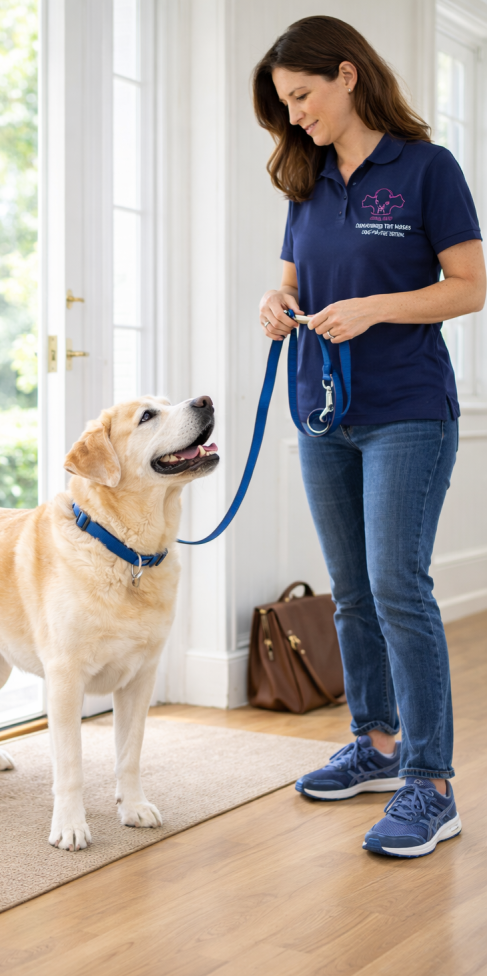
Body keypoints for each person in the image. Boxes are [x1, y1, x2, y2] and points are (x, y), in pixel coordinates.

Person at [253, 16, 485, 858]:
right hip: (322, 412)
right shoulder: (304, 177)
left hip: (408, 412)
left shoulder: (427, 168)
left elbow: (468, 289)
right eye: (284, 105)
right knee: (350, 591)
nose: (296, 116)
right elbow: (292, 276)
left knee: (397, 588)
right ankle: (377, 746)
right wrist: (275, 305)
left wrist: (376, 307)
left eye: (302, 96)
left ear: (346, 76)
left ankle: (430, 784)